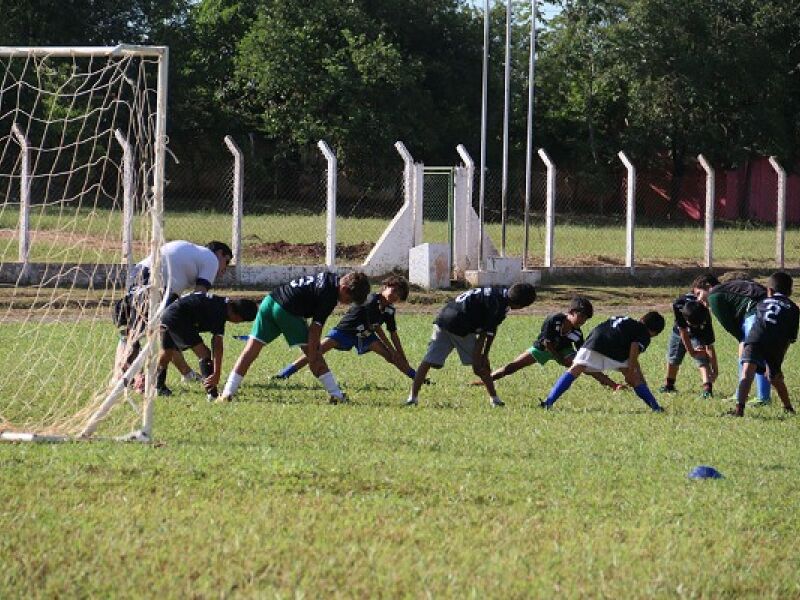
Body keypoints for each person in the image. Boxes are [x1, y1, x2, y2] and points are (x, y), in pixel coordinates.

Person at [219, 271, 371, 403]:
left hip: (270, 301)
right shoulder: (330, 296)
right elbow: (315, 329)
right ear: (344, 288)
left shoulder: (330, 278)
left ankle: (227, 393)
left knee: (250, 351)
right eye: (349, 300)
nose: (347, 304)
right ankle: (337, 395)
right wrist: (313, 356)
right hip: (286, 311)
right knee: (316, 355)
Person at [113, 240, 233, 386]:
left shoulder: (193, 253)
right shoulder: (211, 259)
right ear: (220, 253)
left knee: (134, 331)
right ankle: (133, 377)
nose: (224, 269)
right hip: (157, 284)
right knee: (166, 329)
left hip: (138, 273)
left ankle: (121, 377)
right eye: (226, 262)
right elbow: (198, 299)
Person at [404, 283, 537, 408]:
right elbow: (486, 334)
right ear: (519, 305)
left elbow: (491, 327)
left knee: (428, 360)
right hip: (461, 326)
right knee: (481, 367)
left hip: (443, 318)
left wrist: (481, 355)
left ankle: (412, 397)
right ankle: (495, 400)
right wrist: (482, 356)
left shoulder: (501, 291)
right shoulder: (497, 305)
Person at [274, 275, 417, 381]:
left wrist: (401, 356)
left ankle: (417, 377)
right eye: (394, 290)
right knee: (316, 352)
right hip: (345, 331)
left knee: (391, 357)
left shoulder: (390, 310)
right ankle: (284, 373)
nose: (395, 295)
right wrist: (393, 350)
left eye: (399, 295)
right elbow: (378, 327)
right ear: (386, 286)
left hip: (365, 335)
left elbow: (393, 333)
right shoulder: (370, 300)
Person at [471, 296, 624, 392]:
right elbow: (546, 341)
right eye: (581, 316)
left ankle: (613, 385)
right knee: (513, 367)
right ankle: (484, 381)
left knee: (584, 365)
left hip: (563, 350)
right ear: (571, 312)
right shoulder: (554, 319)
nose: (583, 321)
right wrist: (559, 359)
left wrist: (580, 360)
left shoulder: (577, 333)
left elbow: (583, 353)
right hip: (543, 348)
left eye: (586, 319)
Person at [541, 312, 666, 412]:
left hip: (593, 342)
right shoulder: (643, 333)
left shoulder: (624, 319)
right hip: (614, 346)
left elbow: (605, 331)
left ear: (642, 318)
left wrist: (632, 370)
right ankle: (656, 408)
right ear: (654, 332)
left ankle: (548, 402)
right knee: (633, 378)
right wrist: (630, 373)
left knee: (575, 369)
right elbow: (634, 348)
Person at [156, 293, 258, 398]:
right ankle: (212, 394)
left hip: (167, 313)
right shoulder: (220, 311)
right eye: (241, 321)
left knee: (166, 352)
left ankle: (158, 387)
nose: (237, 323)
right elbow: (217, 345)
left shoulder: (221, 303)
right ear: (237, 316)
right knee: (204, 354)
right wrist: (216, 373)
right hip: (178, 317)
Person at [730, 272, 798, 417]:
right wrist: (778, 358)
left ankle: (739, 409)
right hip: (777, 342)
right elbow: (791, 337)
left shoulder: (762, 302)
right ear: (790, 292)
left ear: (769, 291)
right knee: (774, 377)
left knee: (747, 372)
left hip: (755, 337)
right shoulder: (793, 308)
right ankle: (788, 407)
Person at [707, 275, 771, 405]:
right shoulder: (729, 290)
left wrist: (742, 340)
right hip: (768, 309)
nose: (698, 299)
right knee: (757, 353)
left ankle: (761, 398)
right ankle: (745, 395)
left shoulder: (713, 295)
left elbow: (729, 326)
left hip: (756, 312)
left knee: (753, 354)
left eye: (698, 293)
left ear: (708, 287)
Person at [660, 274, 719, 398]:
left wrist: (715, 370)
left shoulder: (705, 317)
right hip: (678, 331)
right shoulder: (679, 305)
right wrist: (691, 351)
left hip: (697, 334)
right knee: (673, 357)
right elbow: (682, 331)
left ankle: (707, 388)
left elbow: (709, 346)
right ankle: (669, 384)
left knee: (702, 359)